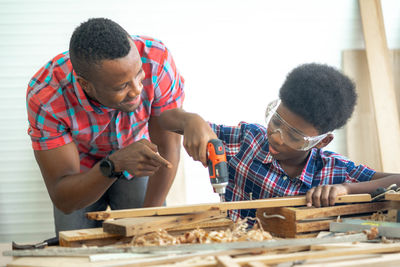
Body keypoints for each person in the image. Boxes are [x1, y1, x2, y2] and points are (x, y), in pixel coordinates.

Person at [159, 63, 400, 224]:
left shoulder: (334, 171)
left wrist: (346, 189)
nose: (275, 136)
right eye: (275, 121)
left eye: (293, 136)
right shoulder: (247, 141)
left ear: (321, 141)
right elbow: (163, 119)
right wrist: (191, 120)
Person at [26, 18, 184, 233]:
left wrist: (148, 220)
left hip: (137, 160)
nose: (137, 90)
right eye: (122, 85)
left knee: (148, 239)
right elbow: (64, 198)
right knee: (75, 250)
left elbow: (169, 146)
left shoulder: (156, 59)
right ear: (85, 85)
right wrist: (113, 164)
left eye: (138, 74)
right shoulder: (46, 95)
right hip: (79, 172)